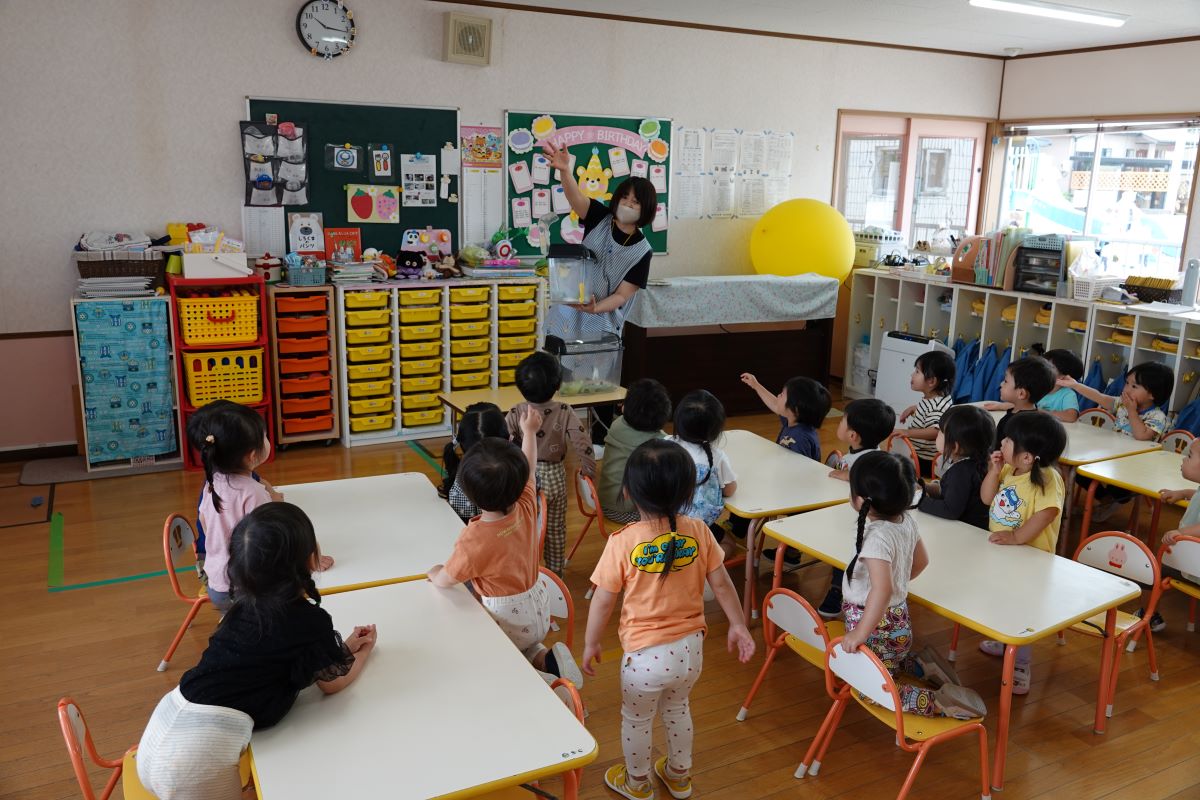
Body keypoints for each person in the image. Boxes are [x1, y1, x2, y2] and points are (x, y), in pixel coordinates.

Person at [136, 503, 375, 800]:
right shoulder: (308, 620)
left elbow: (283, 658)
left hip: (161, 732)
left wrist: (345, 647)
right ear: (308, 559)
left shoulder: (239, 609)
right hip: (194, 763)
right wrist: (365, 652)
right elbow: (334, 684)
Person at [583, 439, 755, 800]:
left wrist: (591, 642)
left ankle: (638, 783)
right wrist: (738, 625)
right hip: (690, 652)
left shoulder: (623, 541)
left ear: (628, 492)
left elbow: (602, 601)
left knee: (637, 719)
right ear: (688, 491)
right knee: (678, 709)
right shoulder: (700, 531)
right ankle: (679, 776)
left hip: (643, 658)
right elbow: (722, 585)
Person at [429, 406, 584, 690]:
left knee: (502, 657)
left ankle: (542, 684)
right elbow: (529, 464)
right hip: (539, 603)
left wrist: (435, 572)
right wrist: (527, 431)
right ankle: (549, 659)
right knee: (527, 646)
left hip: (507, 615)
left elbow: (448, 578)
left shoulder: (475, 538)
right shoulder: (525, 504)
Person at [840, 451, 986, 719]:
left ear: (860, 500)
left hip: (874, 625)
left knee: (870, 688)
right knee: (887, 662)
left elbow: (881, 590)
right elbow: (922, 561)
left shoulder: (876, 539)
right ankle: (920, 664)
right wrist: (895, 585)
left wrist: (860, 633)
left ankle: (940, 703)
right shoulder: (905, 521)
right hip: (897, 622)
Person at [187, 401, 329, 612]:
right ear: (253, 455)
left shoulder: (212, 482)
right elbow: (274, 541)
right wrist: (309, 556)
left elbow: (205, 524)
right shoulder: (252, 493)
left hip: (216, 584)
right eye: (264, 437)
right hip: (246, 589)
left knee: (238, 622)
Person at [978, 411, 1067, 694]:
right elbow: (987, 498)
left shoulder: (1049, 479)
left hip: (1032, 558)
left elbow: (1048, 513)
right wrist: (993, 471)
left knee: (1022, 608)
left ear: (1027, 457)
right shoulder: (1009, 469)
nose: (1001, 443)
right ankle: (1004, 639)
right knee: (1001, 598)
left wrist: (1017, 537)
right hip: (1005, 553)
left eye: (1008, 440)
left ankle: (1021, 663)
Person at [506, 352, 596, 575]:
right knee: (556, 529)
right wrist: (589, 471)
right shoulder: (565, 410)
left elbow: (502, 443)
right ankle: (556, 574)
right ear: (557, 385)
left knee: (525, 527)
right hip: (555, 477)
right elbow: (582, 441)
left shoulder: (517, 411)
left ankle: (527, 571)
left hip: (525, 477)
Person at [809, 398, 896, 616]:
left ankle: (838, 590)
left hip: (862, 523)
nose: (838, 423)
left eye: (842, 421)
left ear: (853, 435)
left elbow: (870, 480)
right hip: (844, 513)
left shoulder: (871, 461)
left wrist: (847, 475)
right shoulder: (860, 453)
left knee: (846, 553)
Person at [1059, 361, 1174, 521]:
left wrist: (1132, 411)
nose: (1126, 389)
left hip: (1135, 466)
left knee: (1118, 488)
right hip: (1112, 457)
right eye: (1127, 383)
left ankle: (1113, 501)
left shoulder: (1157, 417)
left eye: (1134, 386)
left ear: (1152, 394)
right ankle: (1106, 499)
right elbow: (1100, 397)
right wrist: (1076, 385)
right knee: (1079, 471)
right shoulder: (1121, 404)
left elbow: (1141, 435)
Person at [668, 390, 739, 559]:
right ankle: (703, 563)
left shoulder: (665, 445)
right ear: (716, 429)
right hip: (697, 528)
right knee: (730, 544)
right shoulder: (717, 456)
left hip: (662, 523)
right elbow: (729, 490)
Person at [598, 378, 672, 525]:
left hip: (604, 502)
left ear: (624, 407)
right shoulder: (660, 443)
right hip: (627, 512)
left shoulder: (617, 424)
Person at [1150, 437, 1200, 633]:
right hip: (1193, 562)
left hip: (1194, 568)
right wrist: (1183, 493)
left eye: (1189, 456)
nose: (1183, 459)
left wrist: (1181, 532)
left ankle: (1148, 615)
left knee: (1153, 567)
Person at [918, 404, 995, 529]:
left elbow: (949, 510)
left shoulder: (962, 472)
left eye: (941, 432)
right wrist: (925, 487)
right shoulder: (979, 461)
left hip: (966, 532)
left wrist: (920, 501)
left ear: (955, 446)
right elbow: (952, 493)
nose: (937, 435)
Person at [440, 402, 508, 522]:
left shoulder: (463, 478)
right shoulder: (514, 470)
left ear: (462, 443)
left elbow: (461, 522)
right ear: (505, 437)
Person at [739, 373, 831, 460]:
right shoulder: (794, 419)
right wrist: (755, 385)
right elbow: (775, 404)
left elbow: (798, 471)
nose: (778, 396)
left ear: (795, 409)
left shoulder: (799, 439)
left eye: (782, 394)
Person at [895, 350, 955, 476]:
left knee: (894, 466)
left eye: (917, 372)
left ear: (931, 381)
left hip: (926, 461)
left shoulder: (938, 406)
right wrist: (914, 408)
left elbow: (935, 431)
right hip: (918, 453)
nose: (912, 375)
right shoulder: (934, 398)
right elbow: (929, 411)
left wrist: (908, 432)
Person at [986, 356, 1057, 448]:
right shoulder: (1034, 417)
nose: (1001, 384)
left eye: (1006, 381)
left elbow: (998, 451)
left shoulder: (1012, 423)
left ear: (1021, 394)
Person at [1036, 349, 1085, 423]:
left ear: (1063, 376)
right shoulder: (1036, 388)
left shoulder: (1067, 394)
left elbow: (1071, 416)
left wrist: (1040, 412)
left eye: (1048, 366)